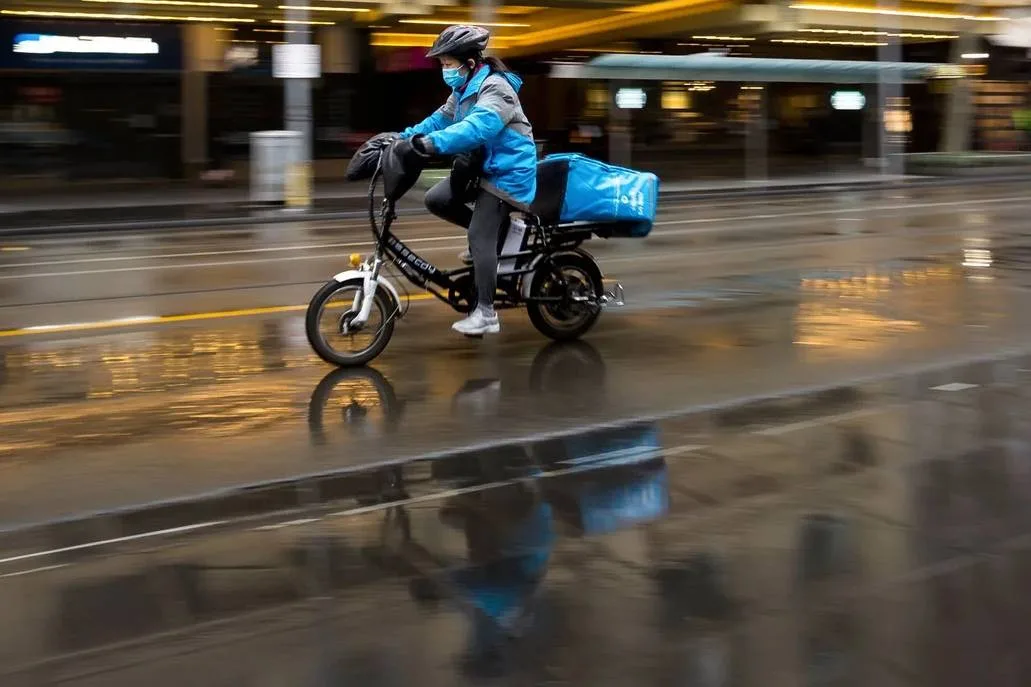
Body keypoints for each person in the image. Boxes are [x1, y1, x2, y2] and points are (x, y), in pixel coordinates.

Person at [394, 25, 537, 337]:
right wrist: (400, 138)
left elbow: (478, 128)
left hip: (507, 173)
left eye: (448, 64)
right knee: (436, 199)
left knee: (479, 235)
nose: (445, 70)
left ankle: (486, 313)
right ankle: (494, 235)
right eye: (443, 65)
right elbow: (438, 120)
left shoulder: (496, 88)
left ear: (469, 64)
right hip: (483, 167)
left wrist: (431, 145)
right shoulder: (462, 91)